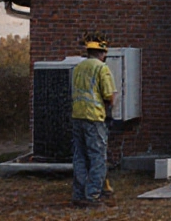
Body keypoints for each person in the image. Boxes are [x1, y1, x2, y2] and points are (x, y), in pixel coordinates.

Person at [72, 32, 116, 208]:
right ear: (102, 53)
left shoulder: (78, 67)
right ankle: (93, 196)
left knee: (80, 156)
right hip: (94, 117)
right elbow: (109, 96)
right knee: (97, 157)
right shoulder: (101, 68)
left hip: (77, 116)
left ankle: (79, 194)